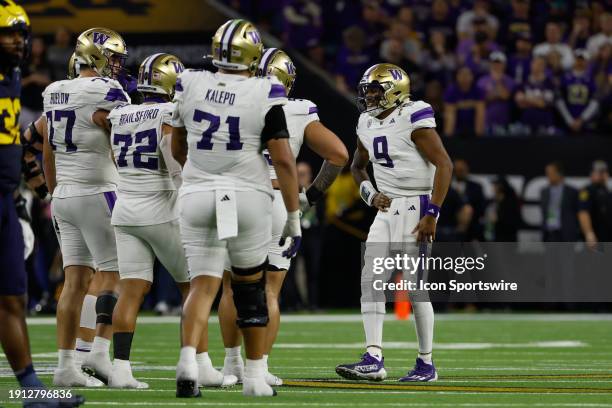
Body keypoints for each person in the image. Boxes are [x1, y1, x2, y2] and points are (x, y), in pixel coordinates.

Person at [171, 19, 301, 397]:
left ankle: (187, 362)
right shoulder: (266, 90)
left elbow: (177, 144)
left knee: (203, 285)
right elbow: (284, 160)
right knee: (250, 287)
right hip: (244, 195)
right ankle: (256, 378)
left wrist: (194, 175)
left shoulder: (191, 81)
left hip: (196, 193)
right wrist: (293, 215)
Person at [217, 48, 348, 386]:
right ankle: (258, 367)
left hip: (234, 195)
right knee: (269, 291)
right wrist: (312, 196)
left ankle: (231, 364)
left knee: (232, 288)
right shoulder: (298, 110)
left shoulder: (229, 100)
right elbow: (338, 154)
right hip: (275, 197)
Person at [107, 53, 228, 389]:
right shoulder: (167, 112)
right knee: (194, 287)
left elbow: (112, 157)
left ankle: (119, 369)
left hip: (125, 209)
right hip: (161, 207)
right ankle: (199, 364)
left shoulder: (120, 113)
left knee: (130, 291)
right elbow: (174, 161)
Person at [336, 63, 453, 382]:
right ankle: (373, 356)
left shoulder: (414, 116)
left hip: (417, 205)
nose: (369, 96)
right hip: (386, 210)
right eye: (367, 90)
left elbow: (444, 164)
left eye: (375, 89)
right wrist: (369, 194)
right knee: (370, 283)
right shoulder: (365, 122)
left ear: (395, 90)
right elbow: (357, 166)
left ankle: (426, 364)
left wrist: (433, 212)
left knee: (416, 289)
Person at [40, 27, 131, 387]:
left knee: (74, 282)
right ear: (95, 55)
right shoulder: (108, 91)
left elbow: (47, 150)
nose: (117, 63)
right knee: (114, 275)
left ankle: (66, 367)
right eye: (112, 56)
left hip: (64, 196)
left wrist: (54, 193)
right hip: (99, 191)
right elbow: (119, 140)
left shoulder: (53, 91)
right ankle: (93, 353)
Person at [0, 3, 79, 406]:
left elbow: (12, 142)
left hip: (4, 200)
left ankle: (32, 391)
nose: (19, 41)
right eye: (9, 33)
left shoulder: (13, 77)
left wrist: (32, 191)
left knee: (13, 296)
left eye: (21, 33)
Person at [556, 49, 599, 134]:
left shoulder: (590, 79)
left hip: (585, 123)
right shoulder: (565, 78)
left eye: (582, 60)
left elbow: (595, 102)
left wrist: (582, 119)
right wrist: (569, 120)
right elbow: (559, 100)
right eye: (578, 59)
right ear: (574, 60)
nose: (580, 62)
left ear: (587, 62)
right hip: (566, 121)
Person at [476, 51, 515, 136]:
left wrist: (494, 90)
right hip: (486, 121)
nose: (497, 65)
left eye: (499, 63)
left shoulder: (509, 80)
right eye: (494, 63)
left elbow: (505, 96)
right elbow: (482, 100)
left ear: (504, 64)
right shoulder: (482, 81)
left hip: (504, 122)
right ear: (490, 64)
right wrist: (495, 94)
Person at [540, 161, 579, 242]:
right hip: (549, 234)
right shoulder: (544, 192)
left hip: (567, 235)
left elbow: (578, 213)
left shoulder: (572, 192)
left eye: (550, 173)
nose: (548, 176)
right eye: (547, 173)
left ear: (559, 173)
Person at [578, 160, 612, 249]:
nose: (601, 175)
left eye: (604, 172)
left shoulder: (608, 192)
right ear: (592, 174)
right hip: (594, 239)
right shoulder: (586, 191)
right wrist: (589, 233)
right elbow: (583, 213)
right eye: (598, 172)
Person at [443, 66, 485, 137]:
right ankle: (448, 139)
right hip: (456, 125)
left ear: (472, 77)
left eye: (467, 74)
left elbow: (480, 106)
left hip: (473, 125)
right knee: (450, 113)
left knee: (480, 110)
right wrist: (471, 104)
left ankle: (479, 137)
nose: (464, 77)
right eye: (461, 74)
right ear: (457, 76)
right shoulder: (451, 90)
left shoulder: (478, 90)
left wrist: (459, 105)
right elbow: (449, 108)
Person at [453, 159, 486, 241]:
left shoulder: (476, 187)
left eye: (461, 170)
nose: (459, 172)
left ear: (467, 170)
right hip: (450, 228)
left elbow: (481, 207)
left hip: (472, 230)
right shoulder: (446, 187)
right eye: (456, 170)